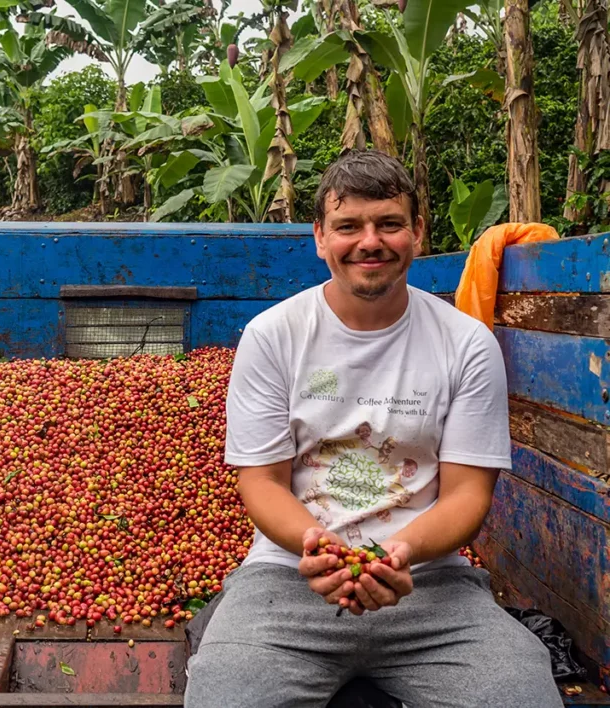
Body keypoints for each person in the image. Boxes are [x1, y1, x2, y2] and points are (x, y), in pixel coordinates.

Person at [184, 150, 561, 708]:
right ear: (319, 237)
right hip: (287, 579)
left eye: (388, 223)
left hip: (431, 585)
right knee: (224, 694)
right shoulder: (273, 336)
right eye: (348, 226)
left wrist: (398, 552)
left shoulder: (466, 343)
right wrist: (319, 547)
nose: (370, 241)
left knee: (521, 694)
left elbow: (467, 493)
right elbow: (260, 482)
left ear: (416, 232)